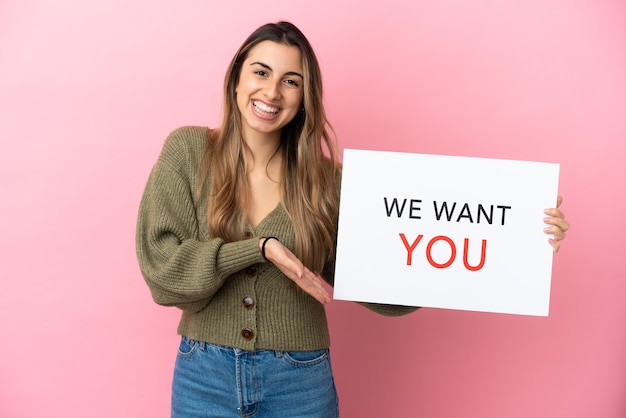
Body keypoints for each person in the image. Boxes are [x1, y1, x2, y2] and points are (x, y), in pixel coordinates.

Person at [136, 21, 570, 418]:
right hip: (204, 375)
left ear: (305, 97)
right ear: (236, 79)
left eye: (292, 81)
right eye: (261, 72)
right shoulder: (189, 151)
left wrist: (506, 243)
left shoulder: (326, 181)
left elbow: (382, 286)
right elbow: (163, 272)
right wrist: (262, 249)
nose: (272, 93)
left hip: (299, 381)